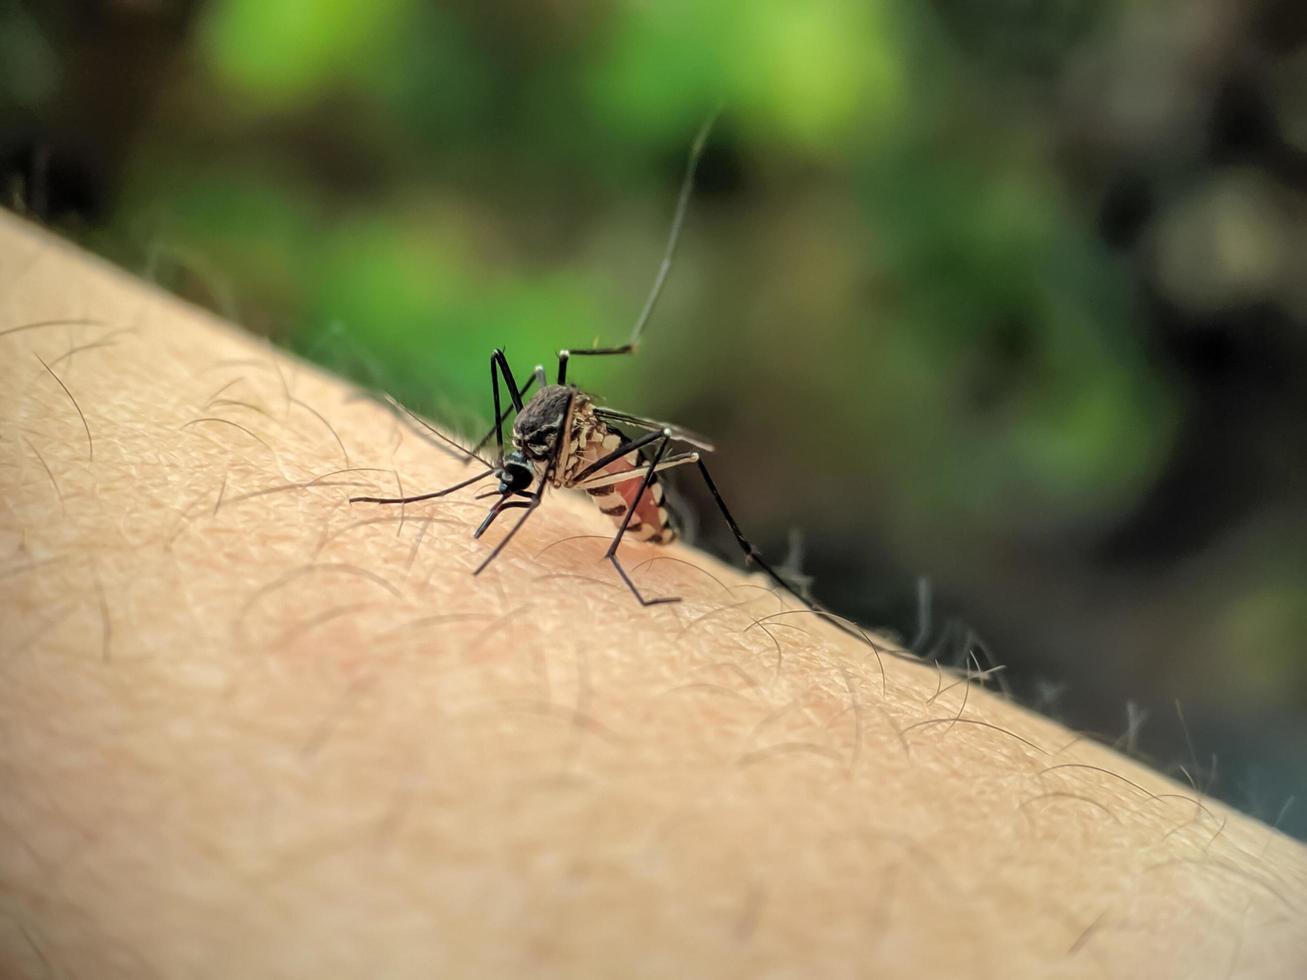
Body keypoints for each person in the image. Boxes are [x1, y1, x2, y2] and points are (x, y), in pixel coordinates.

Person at [2, 210, 1303, 979]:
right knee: (539, 416)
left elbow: (578, 452)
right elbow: (516, 454)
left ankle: (664, 544)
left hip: (624, 476)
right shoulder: (526, 432)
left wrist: (614, 507)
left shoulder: (582, 442)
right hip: (576, 442)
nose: (515, 468)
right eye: (517, 459)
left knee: (636, 483)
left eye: (523, 458)